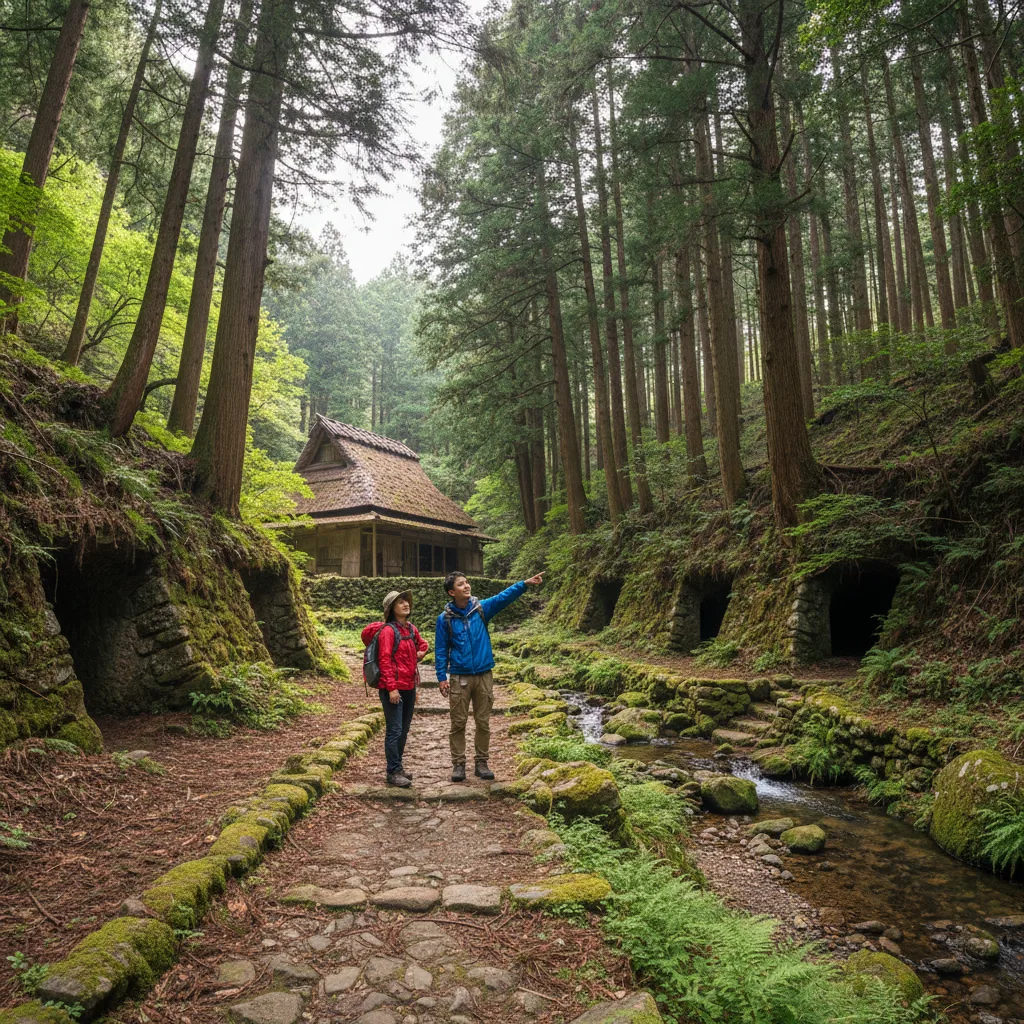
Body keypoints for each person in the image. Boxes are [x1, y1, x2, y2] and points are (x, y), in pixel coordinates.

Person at [435, 570, 544, 782]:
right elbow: (441, 649)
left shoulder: (481, 608)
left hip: (484, 674)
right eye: (461, 584)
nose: (466, 586)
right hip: (459, 677)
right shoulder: (445, 619)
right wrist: (441, 676)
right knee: (458, 723)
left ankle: (481, 762)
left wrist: (524, 583)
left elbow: (503, 597)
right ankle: (458, 765)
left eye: (467, 582)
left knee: (483, 722)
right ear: (451, 592)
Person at [361, 590, 428, 787]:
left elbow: (422, 644)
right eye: (400, 603)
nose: (406, 604)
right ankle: (392, 772)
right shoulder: (389, 631)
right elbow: (385, 660)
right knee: (395, 729)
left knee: (404, 729)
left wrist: (421, 652)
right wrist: (391, 688)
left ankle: (398, 767)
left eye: (406, 601)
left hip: (409, 686)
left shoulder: (410, 629)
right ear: (391, 609)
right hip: (393, 688)